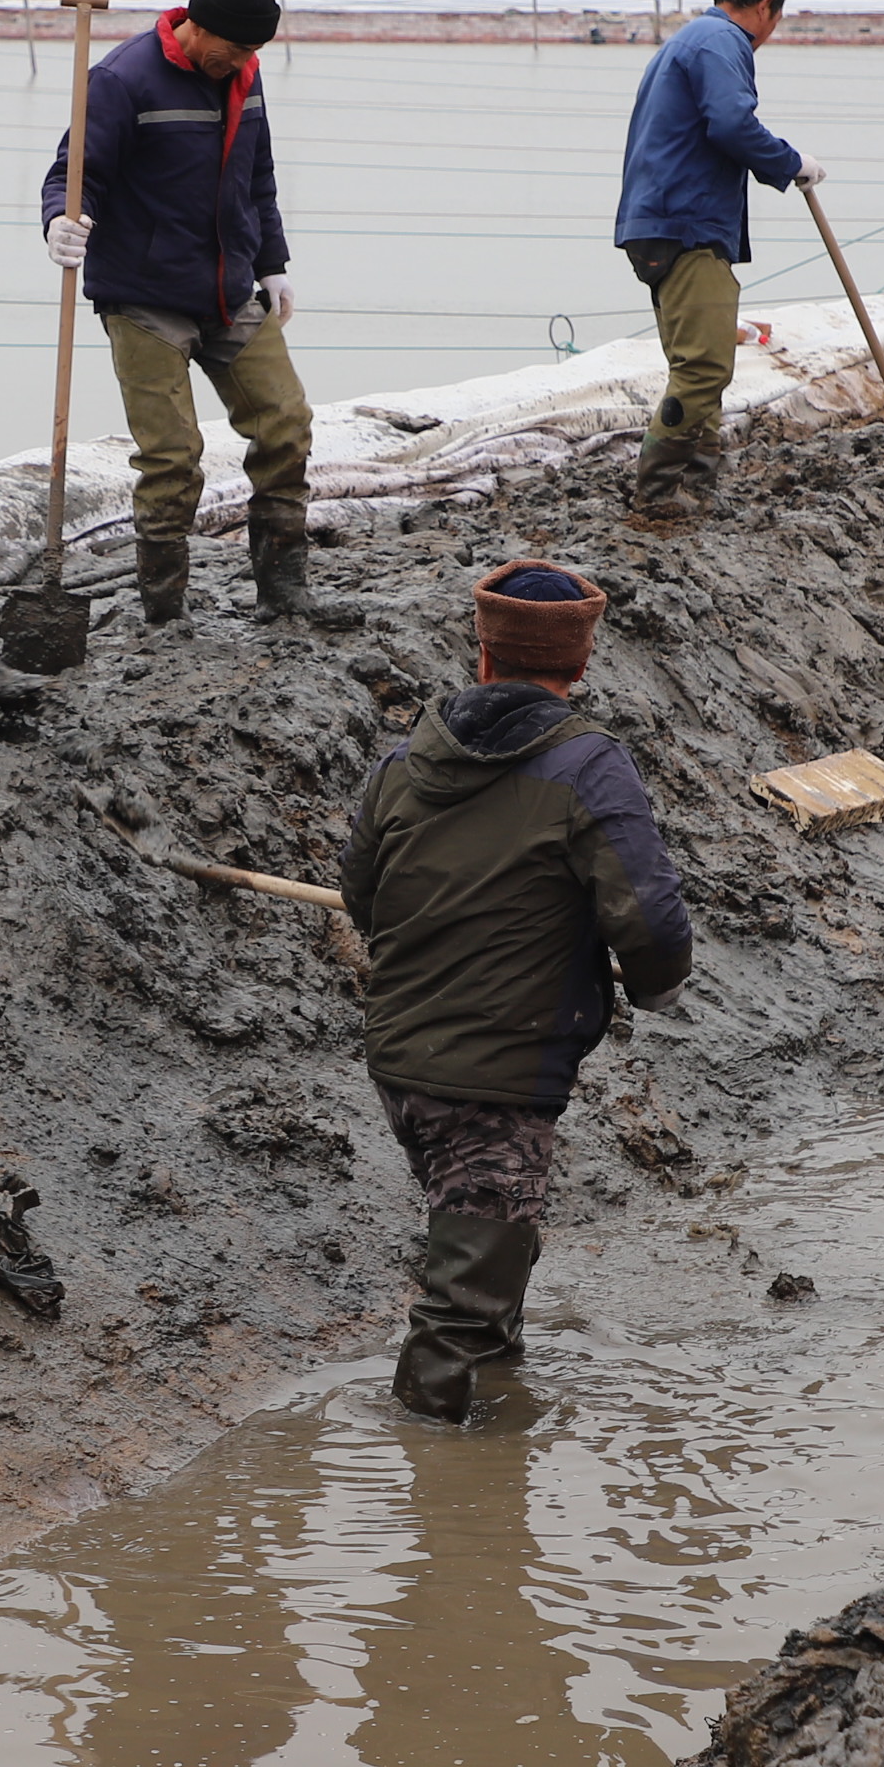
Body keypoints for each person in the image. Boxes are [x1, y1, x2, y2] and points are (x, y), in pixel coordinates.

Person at [339, 561, 692, 1422]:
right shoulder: (589, 766)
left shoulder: (405, 759)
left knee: (491, 1247)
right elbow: (649, 922)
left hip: (402, 1062)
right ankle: (433, 1466)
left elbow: (361, 895)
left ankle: (496, 1421)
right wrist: (653, 988)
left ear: (484, 653)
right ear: (582, 661)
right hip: (497, 1077)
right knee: (462, 1305)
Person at [40, 0, 334, 627]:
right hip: (143, 299)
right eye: (236, 46)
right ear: (197, 26)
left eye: (254, 50)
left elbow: (258, 178)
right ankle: (165, 609)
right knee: (172, 457)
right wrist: (61, 220)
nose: (244, 60)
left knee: (286, 422)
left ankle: (284, 592)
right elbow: (74, 174)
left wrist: (272, 263)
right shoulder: (123, 80)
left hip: (230, 291)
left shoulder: (244, 78)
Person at [610, 0, 810, 519]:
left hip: (663, 219)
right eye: (776, 20)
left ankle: (699, 484)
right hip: (685, 223)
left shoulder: (689, 41)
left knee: (705, 358)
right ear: (766, 8)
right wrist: (790, 162)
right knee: (702, 368)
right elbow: (731, 123)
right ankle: (657, 493)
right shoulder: (723, 42)